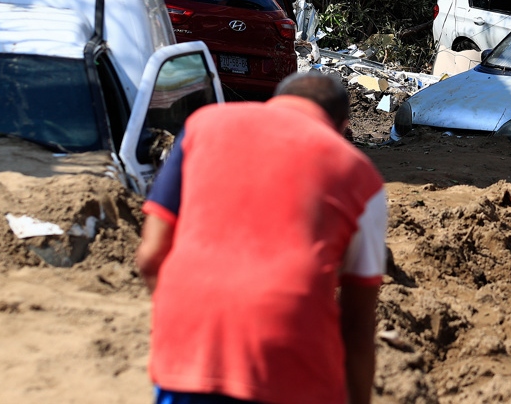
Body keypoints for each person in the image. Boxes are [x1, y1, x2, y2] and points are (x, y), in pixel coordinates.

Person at [135, 72, 386, 404]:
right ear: (342, 127)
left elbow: (151, 255)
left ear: (275, 101)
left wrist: (187, 322)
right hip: (289, 365)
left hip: (186, 356)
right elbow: (357, 326)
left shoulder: (203, 126)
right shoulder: (361, 176)